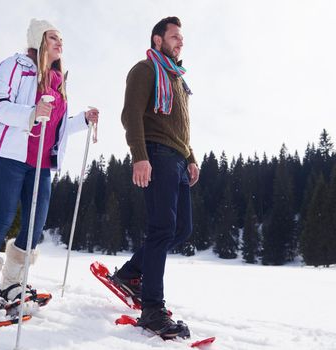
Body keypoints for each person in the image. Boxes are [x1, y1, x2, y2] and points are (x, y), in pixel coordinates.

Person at [0, 18, 99, 322]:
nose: (59, 43)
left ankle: (11, 284)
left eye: (61, 39)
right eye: (52, 38)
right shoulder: (16, 66)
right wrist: (32, 113)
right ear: (37, 40)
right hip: (7, 154)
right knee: (1, 219)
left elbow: (56, 126)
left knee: (35, 225)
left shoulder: (57, 81)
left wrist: (82, 120)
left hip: (40, 162)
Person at [116, 16, 199, 338]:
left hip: (178, 158)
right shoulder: (146, 69)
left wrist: (191, 158)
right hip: (157, 154)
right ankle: (152, 309)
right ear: (157, 40)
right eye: (175, 37)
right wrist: (140, 156)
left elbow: (182, 128)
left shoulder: (177, 79)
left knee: (182, 228)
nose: (180, 42)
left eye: (182, 38)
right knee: (162, 228)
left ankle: (129, 273)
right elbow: (131, 115)